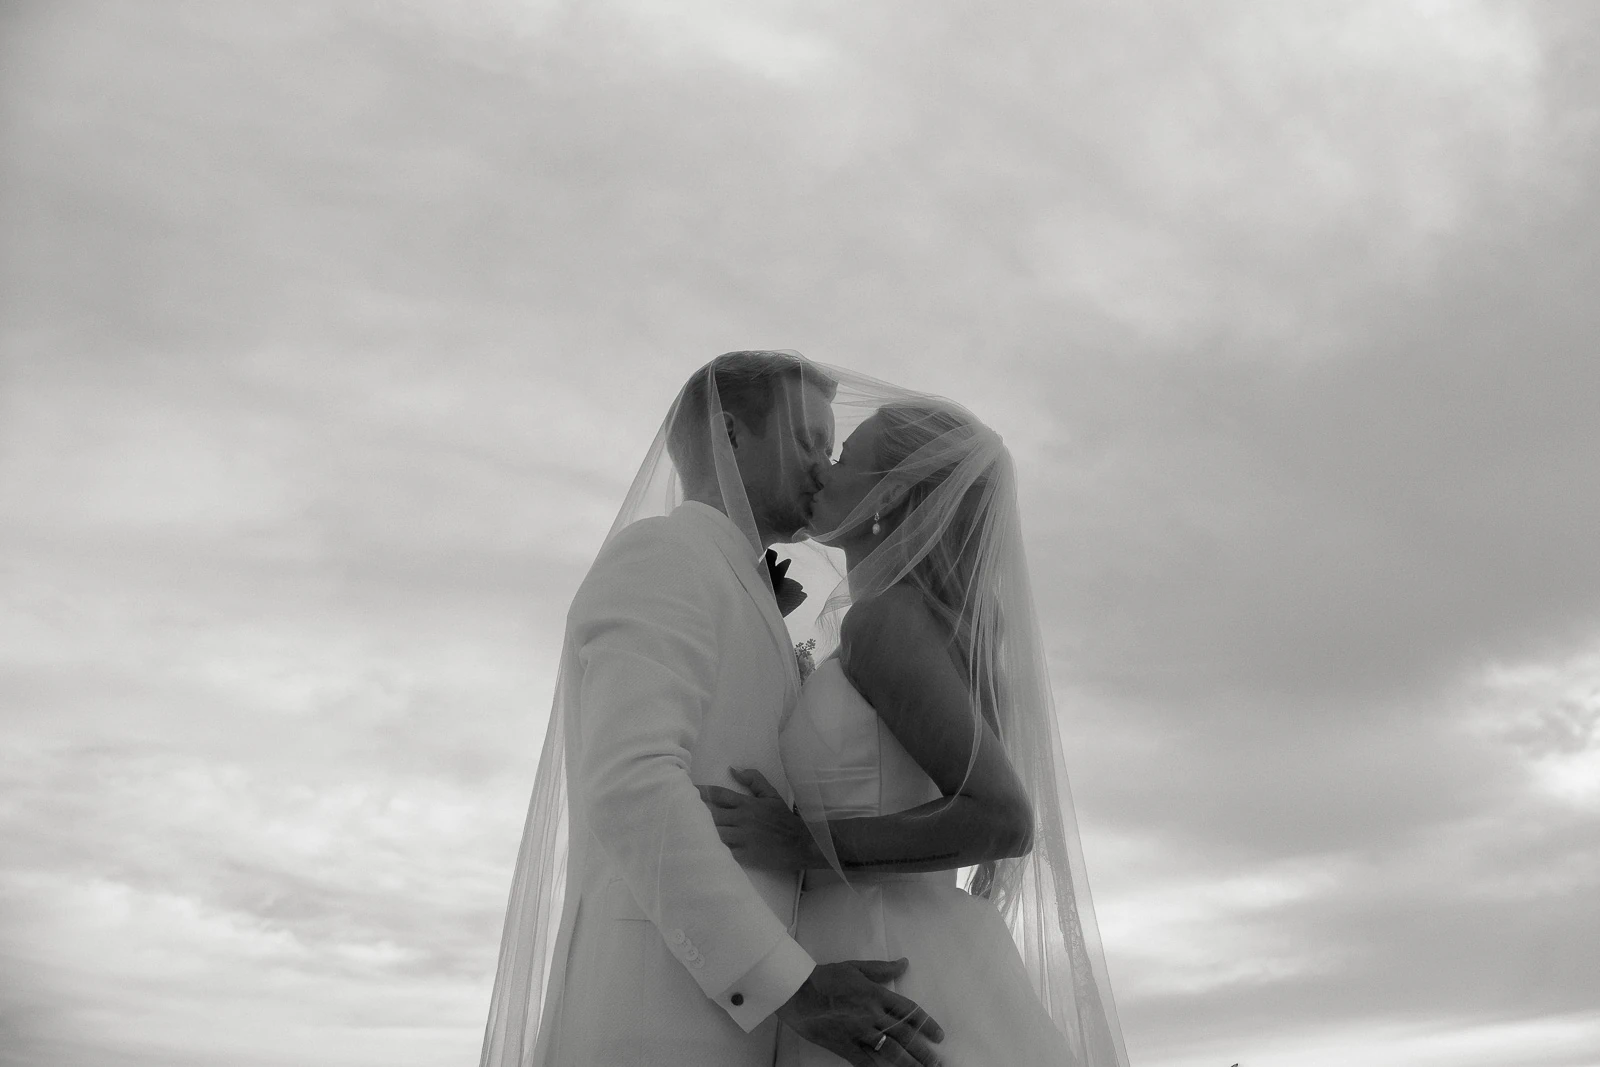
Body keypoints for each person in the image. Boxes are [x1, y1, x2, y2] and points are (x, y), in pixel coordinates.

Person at [479, 352, 947, 1067]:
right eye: (806, 441)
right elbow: (633, 783)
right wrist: (789, 986)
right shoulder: (663, 555)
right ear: (731, 435)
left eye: (830, 447)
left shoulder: (745, 589)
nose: (823, 466)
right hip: (655, 1017)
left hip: (745, 1027)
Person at [701, 398, 1130, 1066]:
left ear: (891, 491)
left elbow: (1004, 819)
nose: (821, 468)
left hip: (881, 957)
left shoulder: (886, 624)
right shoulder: (906, 620)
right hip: (883, 951)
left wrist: (806, 842)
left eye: (842, 457)